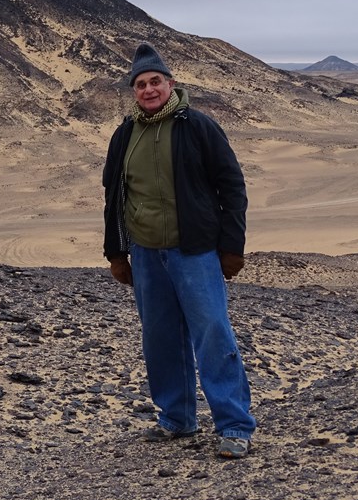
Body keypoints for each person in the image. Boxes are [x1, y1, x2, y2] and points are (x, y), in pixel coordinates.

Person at [102, 42, 255, 459]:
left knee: (212, 333)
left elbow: (232, 186)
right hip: (147, 254)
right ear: (133, 91)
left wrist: (231, 246)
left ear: (171, 83)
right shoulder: (125, 133)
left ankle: (235, 425)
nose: (148, 89)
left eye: (155, 81)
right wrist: (117, 252)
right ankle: (177, 418)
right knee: (160, 337)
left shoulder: (198, 126)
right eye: (140, 84)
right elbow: (114, 194)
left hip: (194, 251)